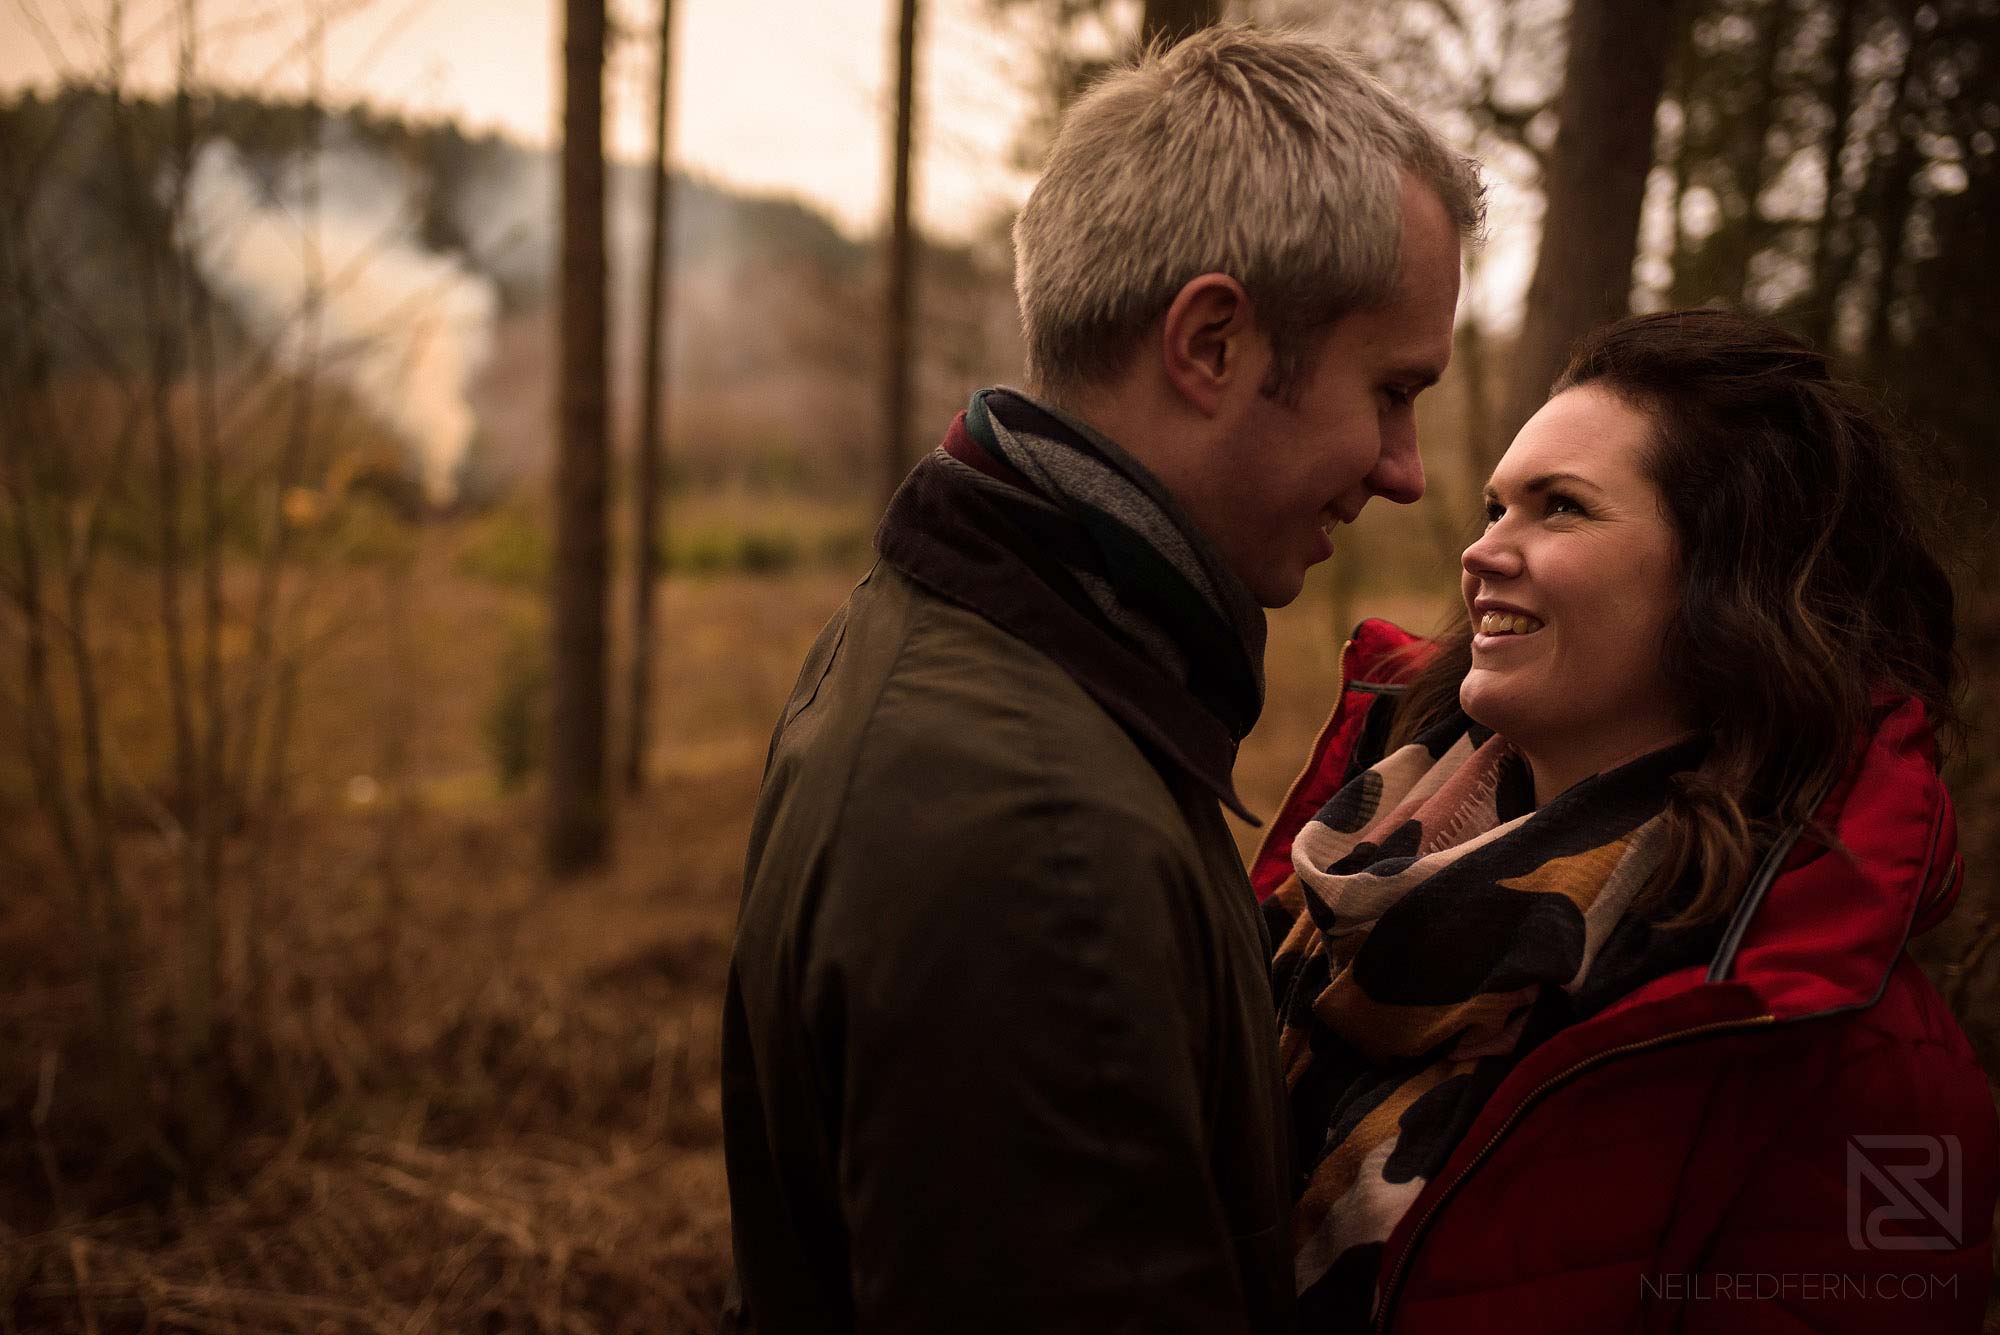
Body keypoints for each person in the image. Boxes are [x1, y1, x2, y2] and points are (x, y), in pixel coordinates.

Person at [721, 24, 1482, 1334]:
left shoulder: (968, 642)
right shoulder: (1038, 842)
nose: (1407, 466)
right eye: (1390, 389)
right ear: (1212, 345)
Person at [1253, 308, 1999, 1332]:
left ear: (1725, 579)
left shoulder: (1851, 1062)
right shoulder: (1334, 870)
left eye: (1556, 509)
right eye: (1492, 507)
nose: (1480, 553)